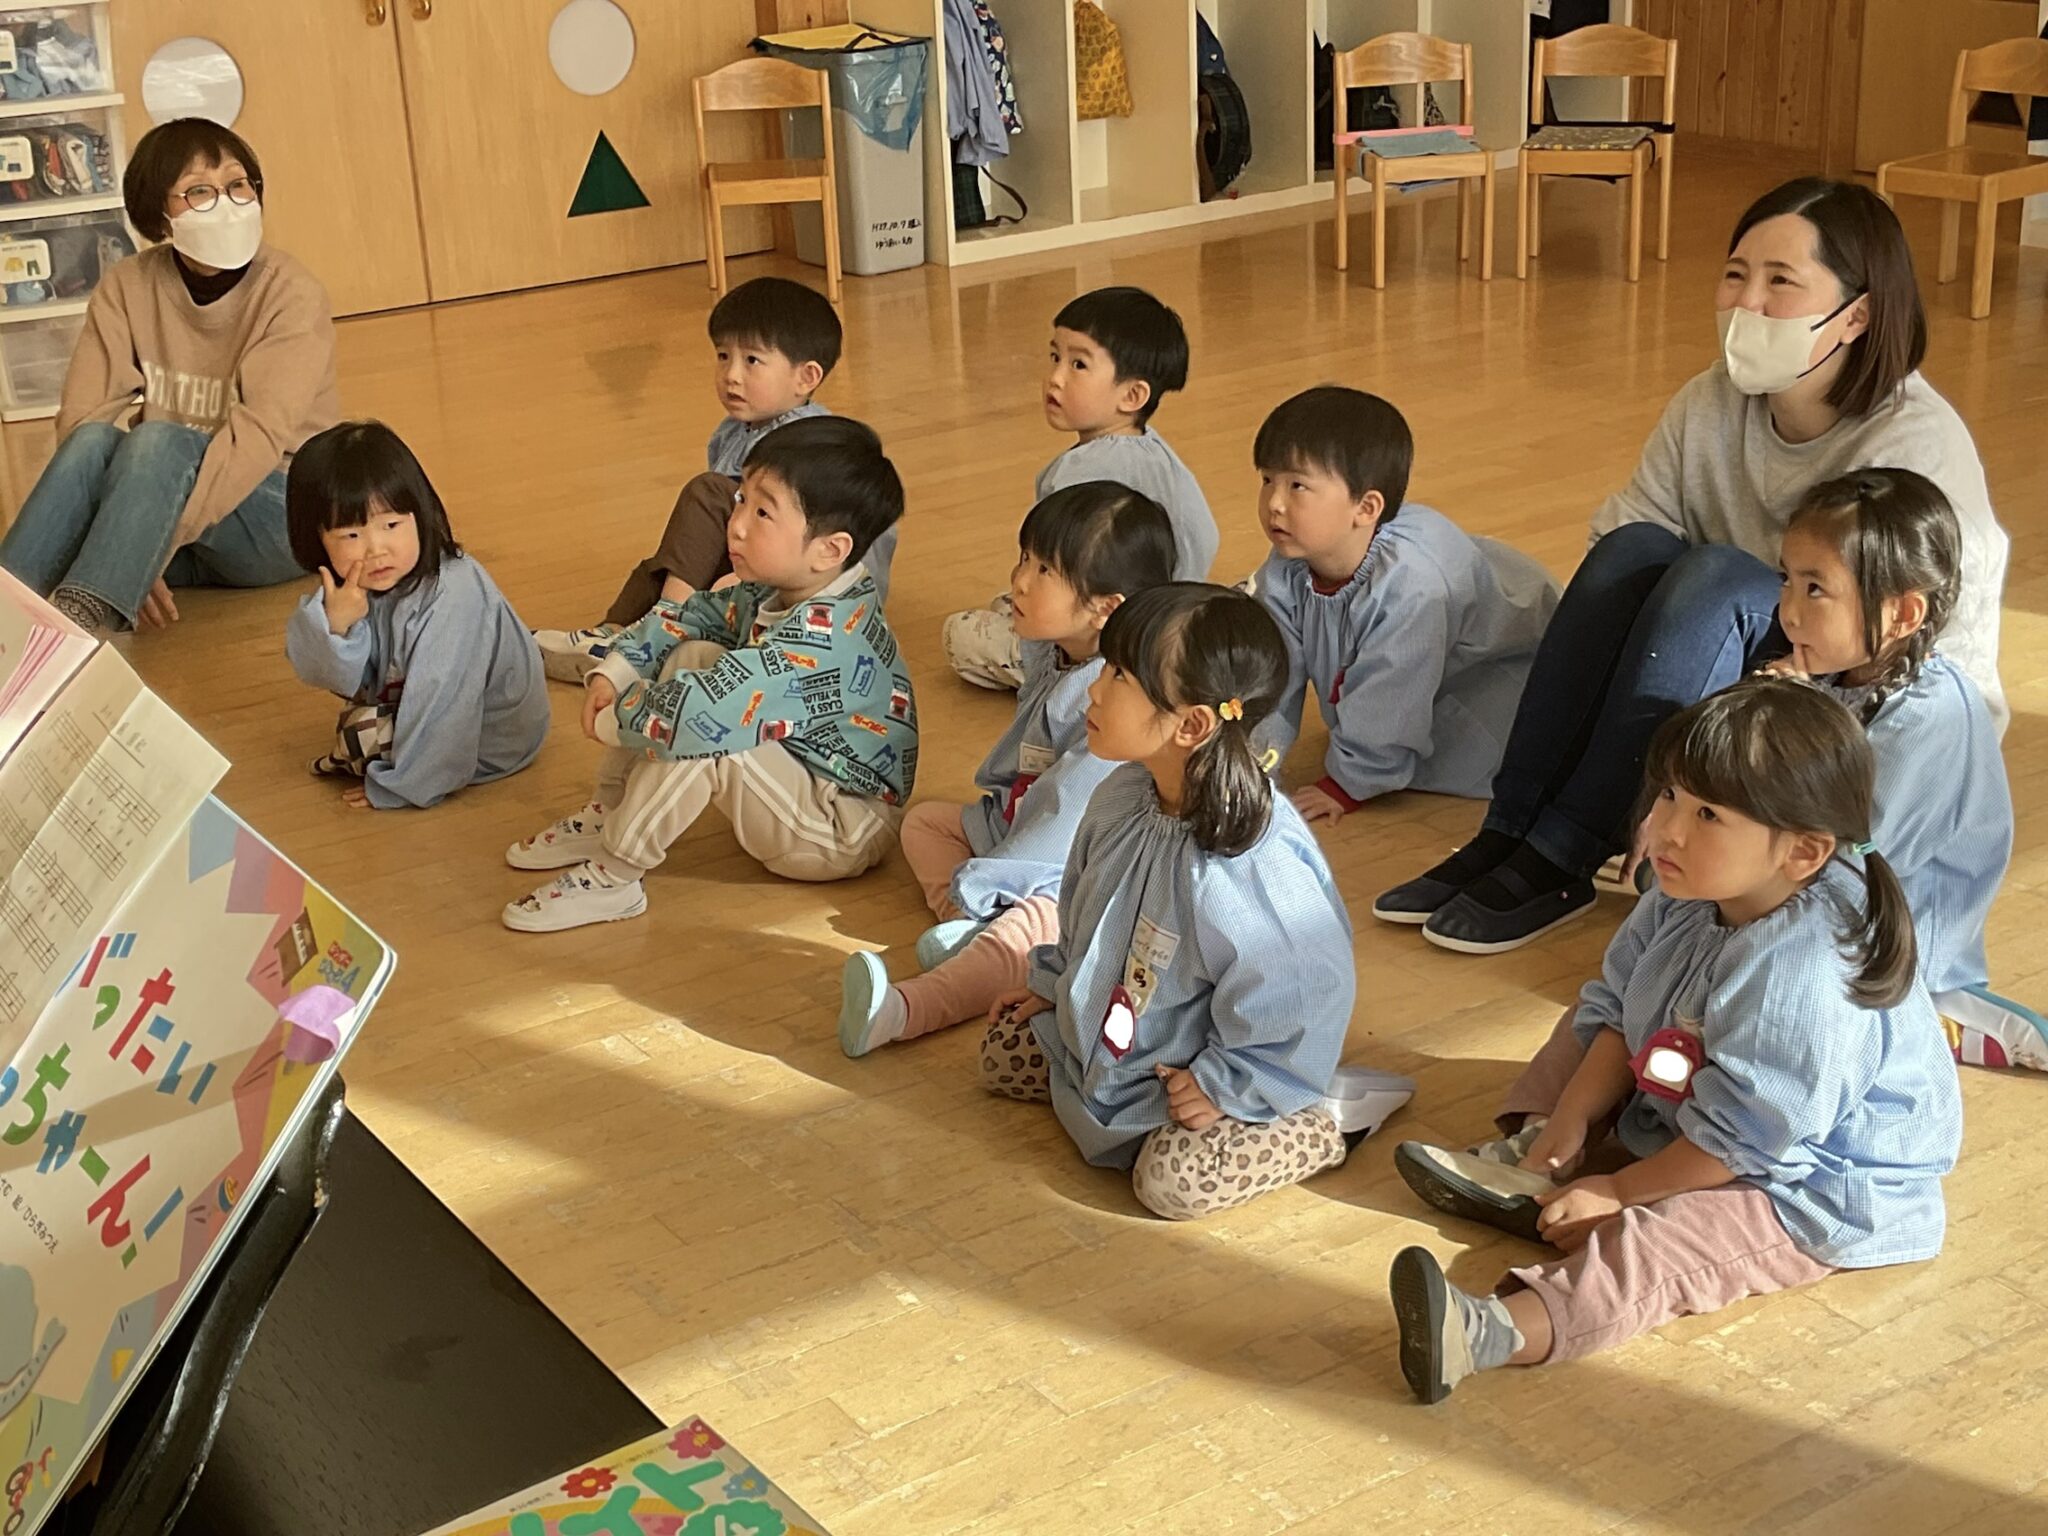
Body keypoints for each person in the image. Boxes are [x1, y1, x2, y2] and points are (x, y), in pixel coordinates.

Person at [1376, 177, 2010, 955]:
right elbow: (1628, 536)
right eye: (1736, 274)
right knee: (1632, 551)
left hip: (1861, 693)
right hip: (1748, 650)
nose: (1748, 302)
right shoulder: (1711, 400)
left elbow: (1913, 658)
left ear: (1857, 315)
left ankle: (1567, 850)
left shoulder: (1913, 449)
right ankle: (1511, 828)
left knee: (1717, 580)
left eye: (1781, 282)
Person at [1387, 678, 1961, 1402]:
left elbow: (1744, 1142)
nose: (1666, 830)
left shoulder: (1805, 974)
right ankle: (1538, 1163)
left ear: (1803, 852)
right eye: (1668, 796)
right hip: (1700, 1103)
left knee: (1668, 1242)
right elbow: (1620, 1009)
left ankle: (1492, 1331)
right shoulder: (1686, 889)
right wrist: (1570, 1116)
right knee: (1583, 1025)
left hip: (1803, 1183)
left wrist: (1622, 1191)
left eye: (1708, 814)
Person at [978, 584, 1411, 1221]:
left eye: (1120, 676)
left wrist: (1223, 1084)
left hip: (1203, 1071)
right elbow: (1083, 912)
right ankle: (1109, 1091)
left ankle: (1326, 1121)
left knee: (1171, 1184)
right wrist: (1051, 982)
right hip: (1124, 1041)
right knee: (1003, 1054)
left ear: (1192, 725)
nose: (1095, 690)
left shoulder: (1244, 864)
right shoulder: (1121, 796)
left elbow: (1301, 991)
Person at [503, 416, 913, 933]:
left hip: (841, 827)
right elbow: (691, 616)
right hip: (804, 778)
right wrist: (618, 669)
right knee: (695, 654)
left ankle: (616, 875)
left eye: (763, 512)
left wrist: (616, 718)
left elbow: (704, 717)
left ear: (829, 550)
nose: (736, 524)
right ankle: (612, 809)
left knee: (712, 731)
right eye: (741, 499)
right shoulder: (784, 586)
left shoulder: (822, 641)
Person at [839, 480, 1177, 1057]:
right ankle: (972, 929)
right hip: (1021, 825)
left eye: (1045, 571)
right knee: (926, 825)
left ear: (1105, 608)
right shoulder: (1055, 649)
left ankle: (901, 1011)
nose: (1019, 579)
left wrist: (982, 881)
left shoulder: (1114, 702)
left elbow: (1064, 819)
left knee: (1031, 930)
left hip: (1071, 868)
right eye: (1025, 558)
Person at [0, 118, 338, 634]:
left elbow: (259, 438)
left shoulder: (291, 292)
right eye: (199, 191)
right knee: (94, 441)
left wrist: (151, 545)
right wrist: (138, 533)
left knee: (158, 439)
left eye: (238, 184)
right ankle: (5, 614)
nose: (226, 204)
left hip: (277, 513)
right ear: (158, 215)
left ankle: (78, 628)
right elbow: (83, 419)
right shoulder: (128, 285)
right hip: (169, 507)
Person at [1774, 468, 2034, 1068]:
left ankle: (1938, 1012)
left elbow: (1850, 862)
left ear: (1903, 614)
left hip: (1896, 941)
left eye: (1815, 590)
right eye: (1786, 580)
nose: (1788, 612)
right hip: (1817, 893)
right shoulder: (1833, 674)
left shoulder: (1928, 720)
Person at [532, 276, 897, 680]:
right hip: (771, 560)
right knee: (667, 562)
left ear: (806, 378)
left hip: (815, 587)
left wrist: (732, 580)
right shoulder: (734, 429)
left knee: (706, 494)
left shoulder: (808, 445)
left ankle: (661, 628)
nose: (731, 374)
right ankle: (614, 633)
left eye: (752, 360)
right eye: (723, 356)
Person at [1244, 387, 1557, 829]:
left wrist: (1349, 781)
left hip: (1499, 678)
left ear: (1366, 507)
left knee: (1440, 739)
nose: (1275, 503)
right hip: (1419, 677)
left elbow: (1393, 696)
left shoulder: (1411, 587)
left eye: (1298, 485)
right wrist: (1252, 763)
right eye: (1267, 480)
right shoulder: (1290, 562)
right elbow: (1271, 669)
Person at [942, 286, 1218, 691]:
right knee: (1010, 600)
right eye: (1055, 357)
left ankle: (1074, 675)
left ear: (1132, 394)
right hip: (1169, 622)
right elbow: (1205, 537)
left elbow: (1057, 563)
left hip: (1110, 639)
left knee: (959, 634)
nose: (1055, 378)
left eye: (1079, 365)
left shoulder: (1079, 474)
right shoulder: (1157, 450)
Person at [284, 422, 547, 810]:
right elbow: (327, 674)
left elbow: (444, 701)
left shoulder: (452, 594)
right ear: (317, 538)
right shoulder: (357, 585)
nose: (376, 549)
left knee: (361, 735)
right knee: (359, 731)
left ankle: (420, 770)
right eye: (351, 535)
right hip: (416, 706)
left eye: (391, 525)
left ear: (419, 515)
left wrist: (400, 786)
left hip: (491, 739)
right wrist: (336, 625)